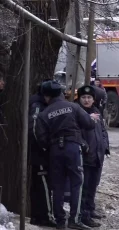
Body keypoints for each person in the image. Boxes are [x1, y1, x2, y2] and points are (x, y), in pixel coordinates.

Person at [35, 80, 99, 230]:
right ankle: (74, 219)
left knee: (57, 186)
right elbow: (89, 124)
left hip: (55, 151)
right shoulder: (73, 107)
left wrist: (50, 147)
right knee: (77, 183)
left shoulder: (44, 114)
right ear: (61, 94)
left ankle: (59, 221)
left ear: (47, 96)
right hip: (73, 148)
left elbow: (41, 138)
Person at [76, 85, 110, 227]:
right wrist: (85, 146)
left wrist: (105, 146)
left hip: (98, 156)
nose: (86, 100)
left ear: (93, 99)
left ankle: (90, 209)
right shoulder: (78, 113)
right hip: (86, 156)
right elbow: (76, 133)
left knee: (93, 185)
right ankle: (84, 215)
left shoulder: (97, 111)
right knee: (85, 187)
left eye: (89, 97)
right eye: (83, 97)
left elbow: (103, 131)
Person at [28, 79, 56, 227]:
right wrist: (44, 146)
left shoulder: (41, 103)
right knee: (43, 183)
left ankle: (38, 215)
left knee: (40, 184)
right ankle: (45, 215)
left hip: (40, 151)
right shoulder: (37, 104)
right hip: (39, 152)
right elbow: (33, 128)